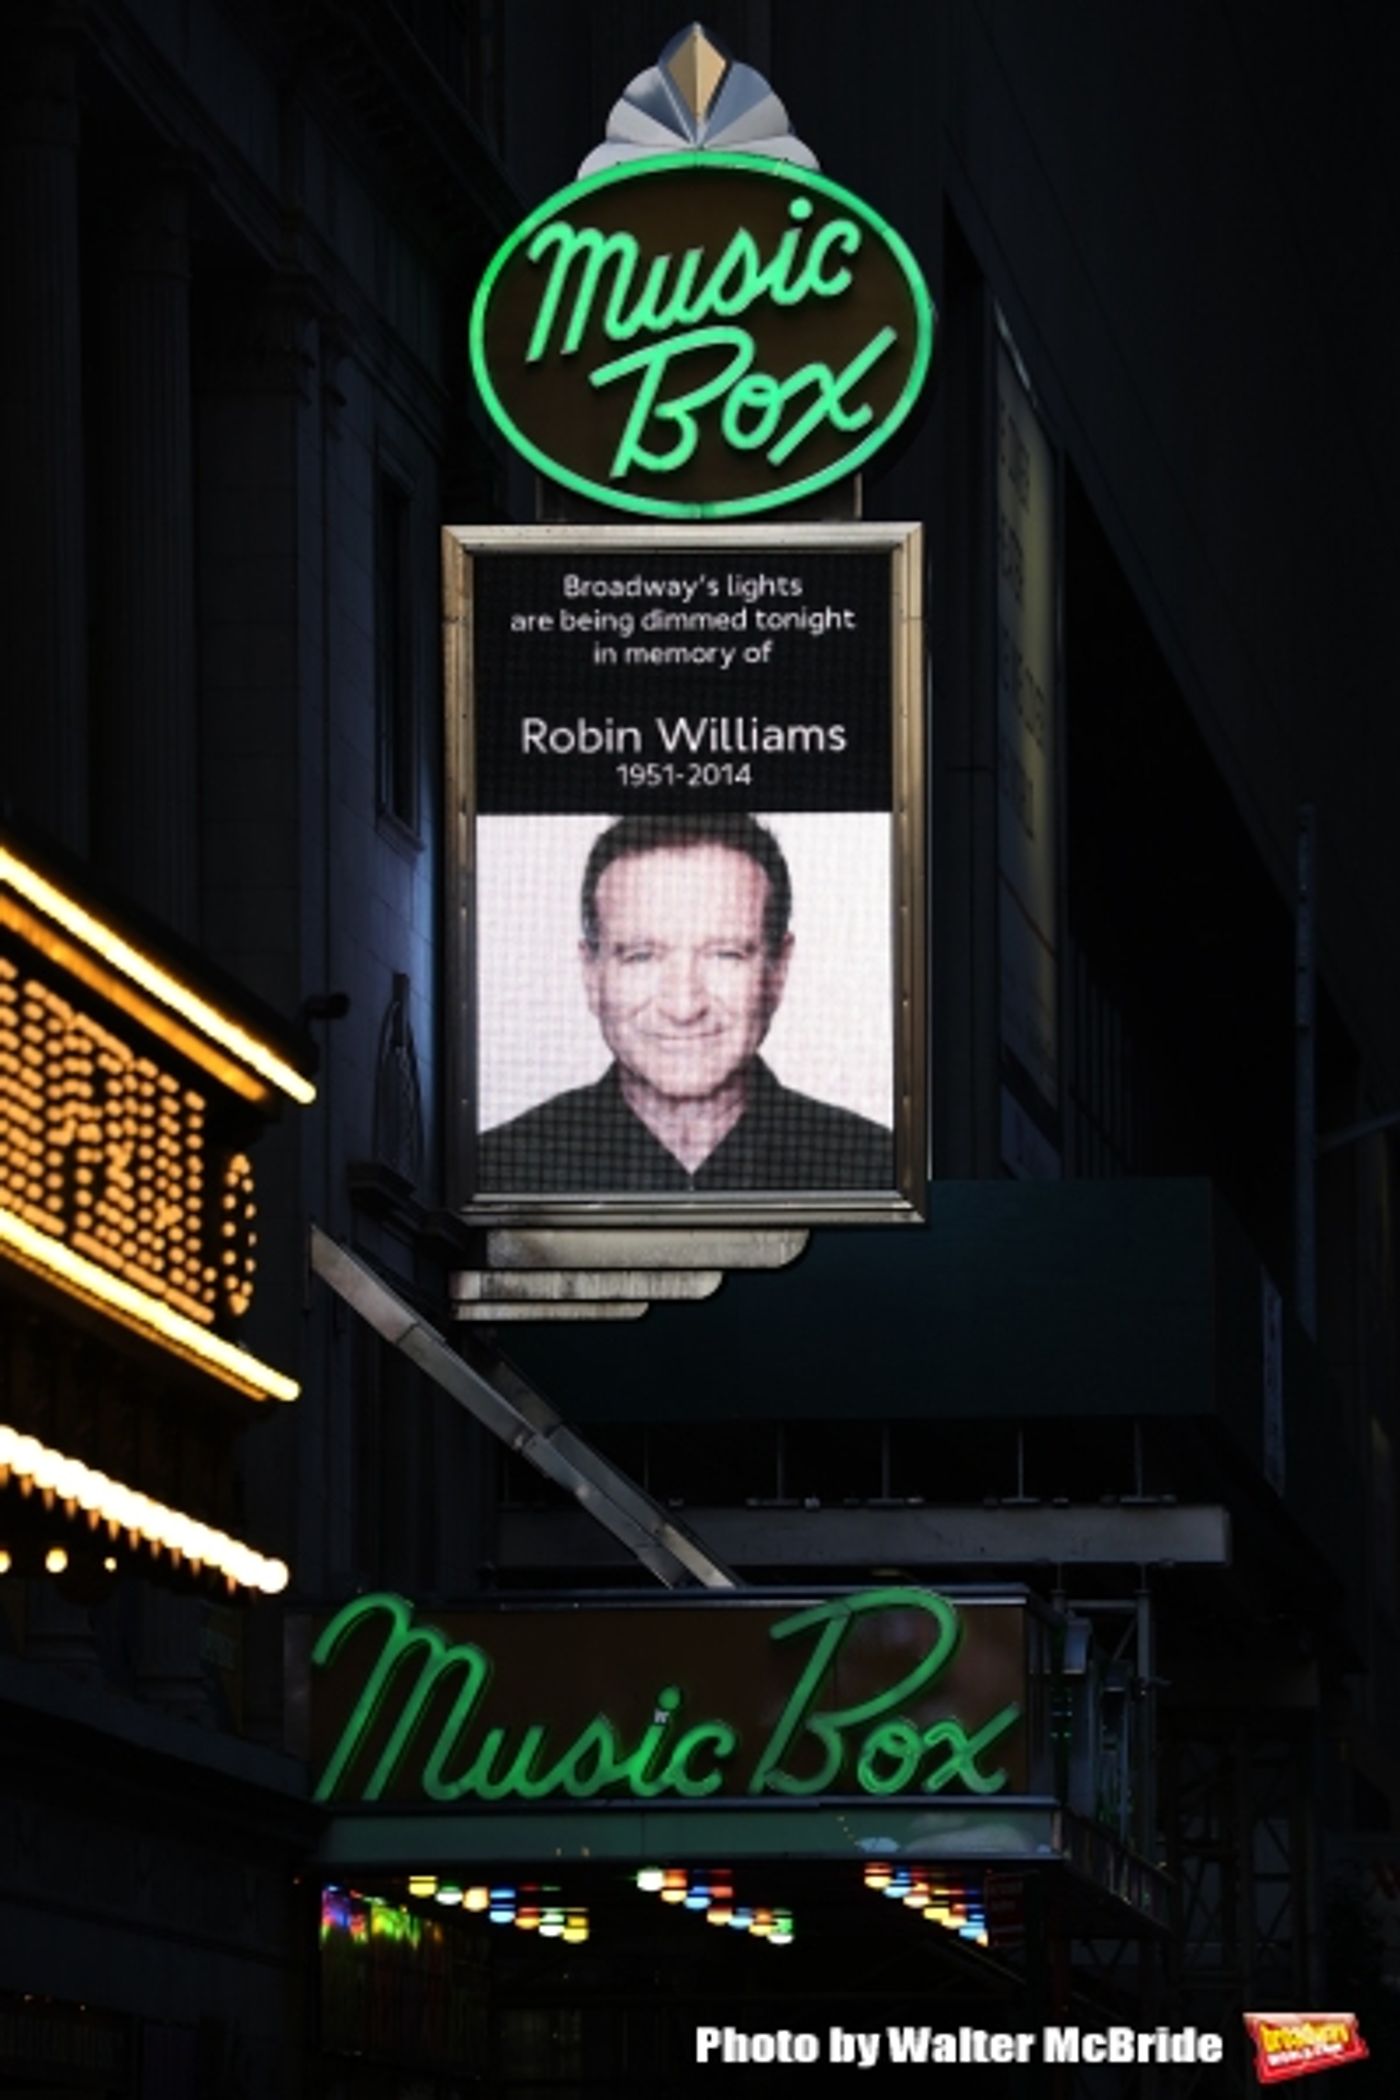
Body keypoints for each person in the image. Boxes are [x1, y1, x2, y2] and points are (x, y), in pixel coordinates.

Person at [477, 812, 893, 1191]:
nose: (683, 1006)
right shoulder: (495, 1172)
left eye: (725, 955)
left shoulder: (879, 1171)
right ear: (592, 974)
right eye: (641, 956)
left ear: (778, 969)